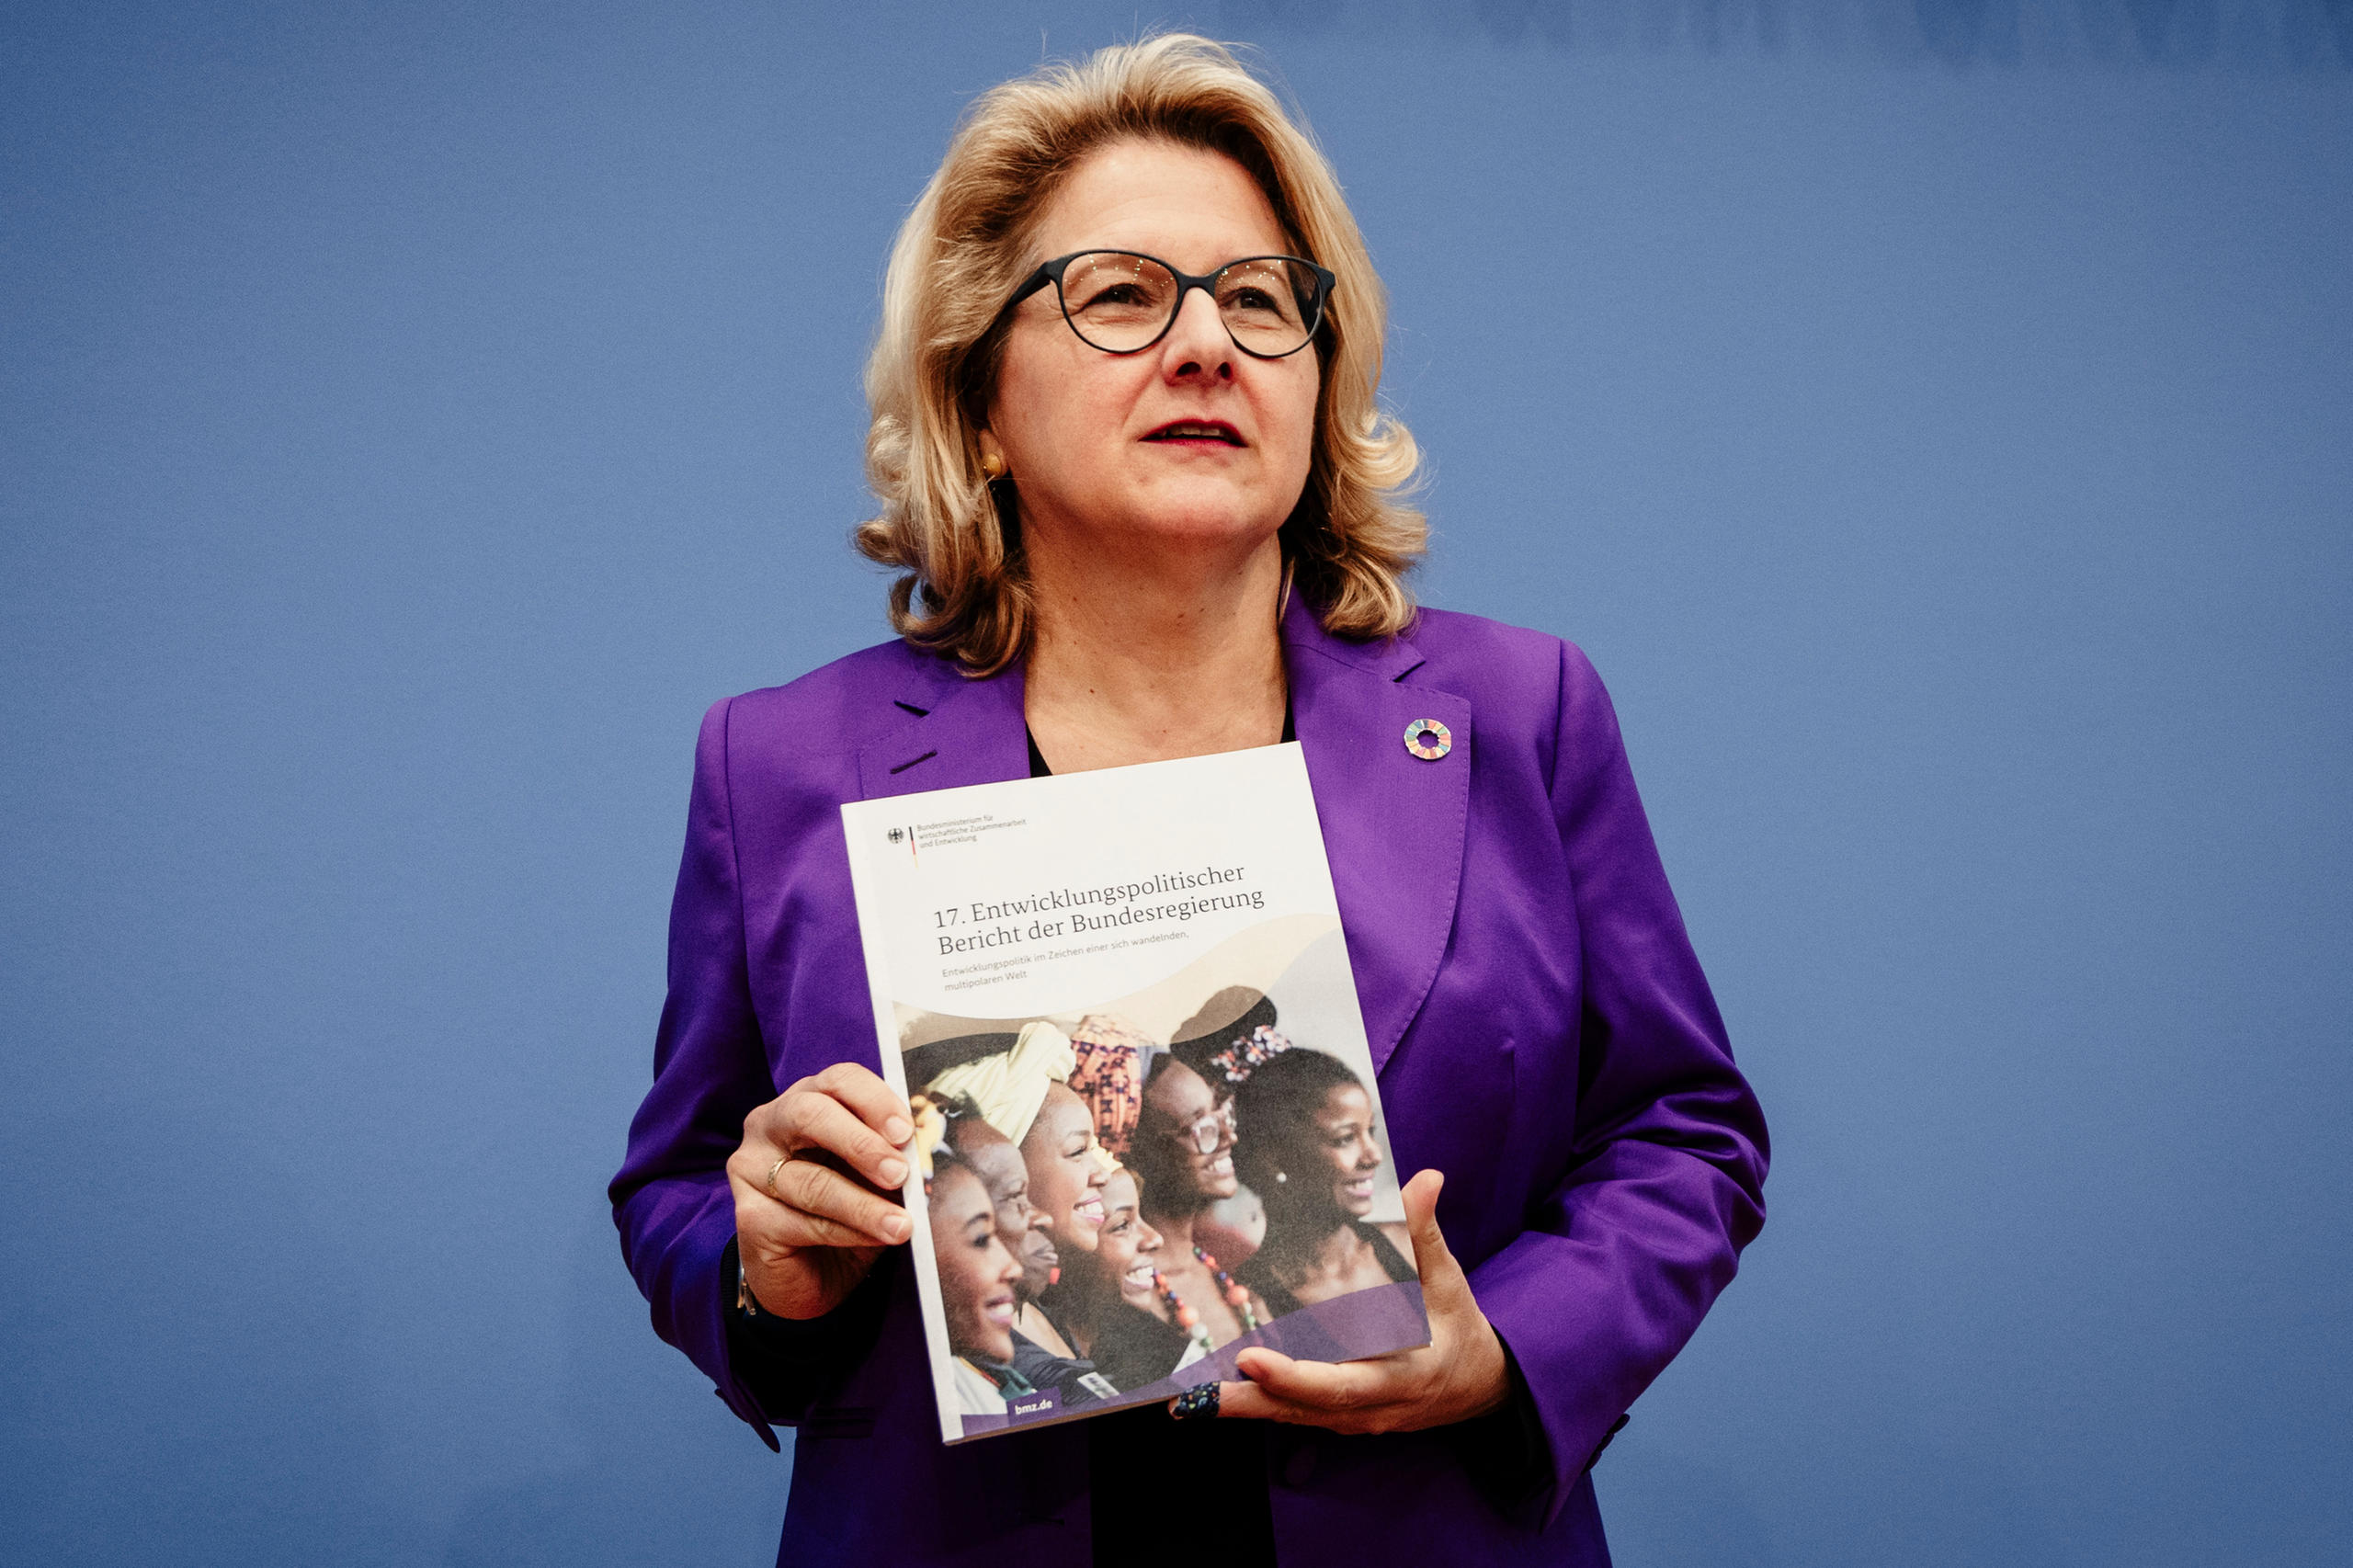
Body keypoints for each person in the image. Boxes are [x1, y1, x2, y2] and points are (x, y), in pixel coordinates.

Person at [609, 32, 1768, 1567]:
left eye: (1261, 300)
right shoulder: (782, 765)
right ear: (981, 398)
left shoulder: (1519, 716)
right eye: (1121, 294)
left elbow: (1683, 1130)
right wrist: (766, 1268)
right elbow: (686, 1185)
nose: (1210, 345)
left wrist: (1506, 1348)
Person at [1225, 1045, 1418, 1318]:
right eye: (1345, 1138)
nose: (1374, 1155)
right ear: (1275, 1158)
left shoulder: (1407, 1245)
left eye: (1370, 1132)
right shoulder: (1255, 1304)